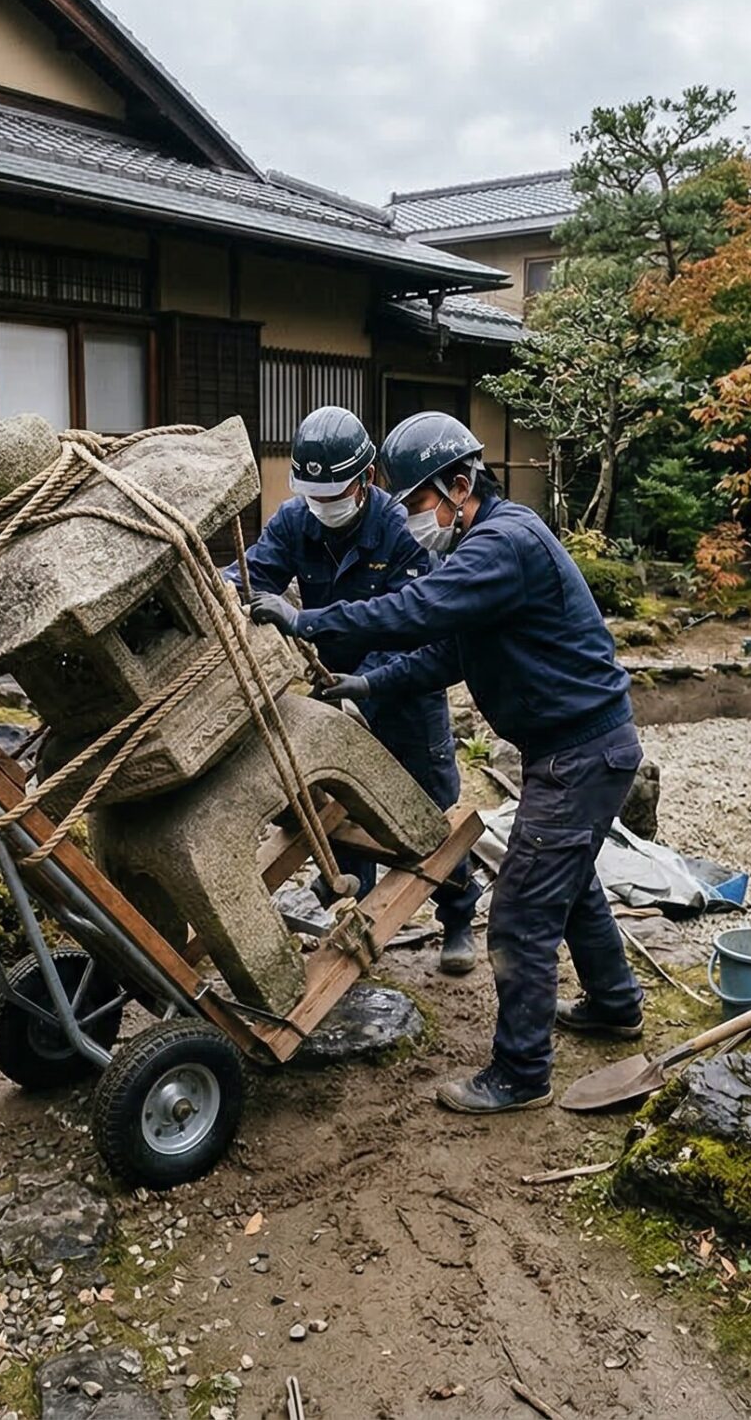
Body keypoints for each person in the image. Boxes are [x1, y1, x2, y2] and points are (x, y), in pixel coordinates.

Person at [249, 412, 643, 1115]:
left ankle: (521, 1074)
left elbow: (418, 610)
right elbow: (449, 651)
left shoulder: (500, 543)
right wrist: (369, 683)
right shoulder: (485, 542)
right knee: (569, 877)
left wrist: (308, 622)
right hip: (576, 748)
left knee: (522, 909)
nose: (414, 518)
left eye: (419, 502)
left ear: (460, 484)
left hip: (582, 753)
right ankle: (616, 1003)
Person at [228, 406, 482, 975]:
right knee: (345, 799)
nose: (324, 507)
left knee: (430, 809)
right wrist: (225, 588)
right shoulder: (296, 521)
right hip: (333, 685)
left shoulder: (405, 528)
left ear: (365, 479)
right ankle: (358, 901)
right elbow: (256, 576)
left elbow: (413, 623)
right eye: (314, 495)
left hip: (403, 689)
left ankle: (459, 916)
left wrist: (366, 687)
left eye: (334, 494)